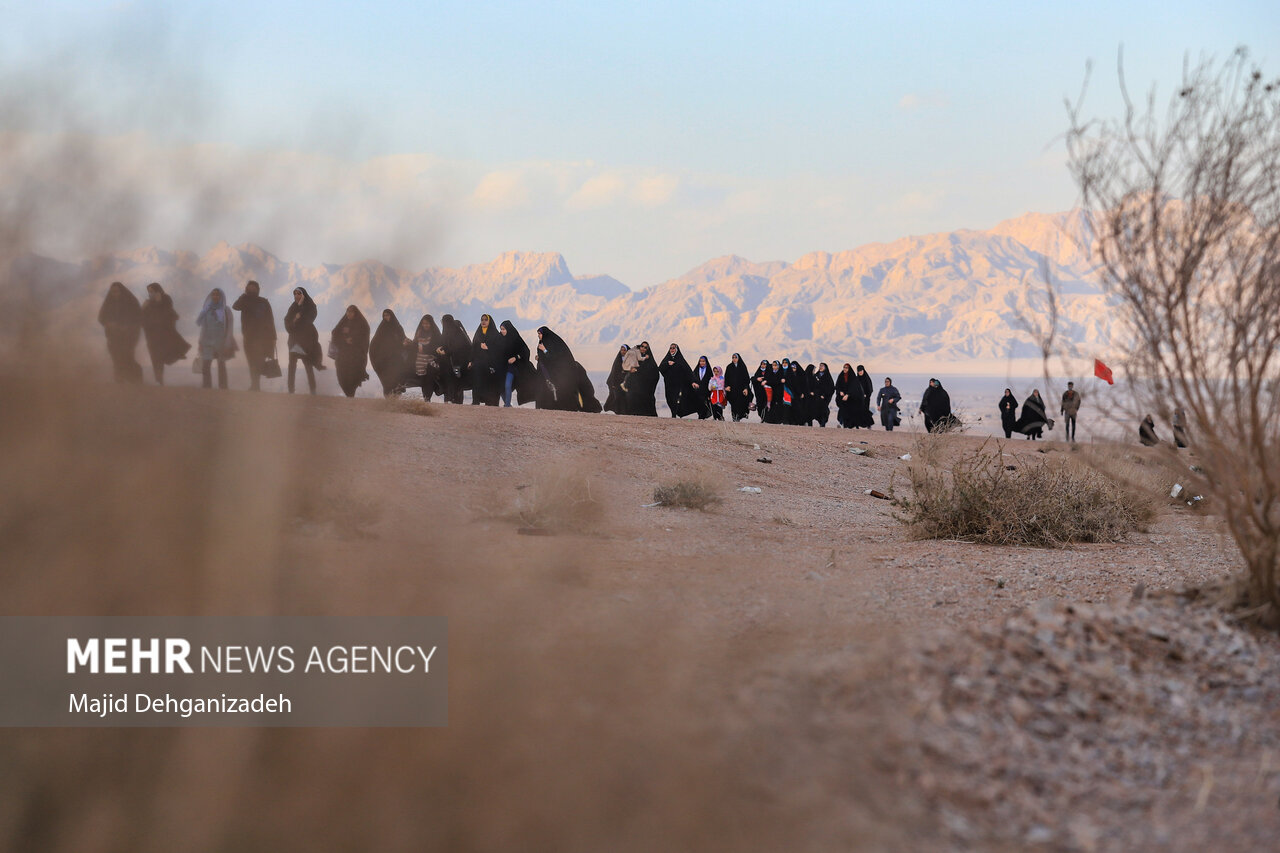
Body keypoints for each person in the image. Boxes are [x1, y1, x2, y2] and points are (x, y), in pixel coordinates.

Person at [535, 326, 600, 412]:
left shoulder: (554, 343)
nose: (538, 336)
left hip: (561, 371)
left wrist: (545, 350)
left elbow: (555, 357)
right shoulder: (541, 344)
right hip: (548, 372)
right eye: (538, 334)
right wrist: (539, 358)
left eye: (540, 334)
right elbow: (545, 359)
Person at [139, 282, 190, 385]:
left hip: (164, 335)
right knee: (154, 357)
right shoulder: (148, 303)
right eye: (149, 292)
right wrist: (143, 308)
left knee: (160, 357)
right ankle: (159, 380)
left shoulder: (166, 299)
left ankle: (159, 380)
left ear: (158, 291)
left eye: (152, 291)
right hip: (151, 335)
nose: (150, 294)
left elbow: (167, 313)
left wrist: (159, 302)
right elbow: (142, 318)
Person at [232, 280, 277, 391]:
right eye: (249, 288)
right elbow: (235, 306)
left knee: (258, 361)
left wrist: (273, 337)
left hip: (262, 338)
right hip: (248, 337)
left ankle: (255, 385)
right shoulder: (244, 301)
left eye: (254, 288)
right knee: (251, 361)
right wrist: (243, 296)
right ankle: (255, 385)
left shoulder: (264, 302)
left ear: (258, 290)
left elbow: (270, 319)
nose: (252, 290)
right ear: (247, 289)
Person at [98, 282, 143, 383]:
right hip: (113, 336)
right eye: (113, 292)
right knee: (116, 357)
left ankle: (136, 378)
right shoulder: (108, 302)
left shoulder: (131, 301)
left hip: (129, 336)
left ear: (121, 291)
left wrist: (127, 326)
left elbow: (138, 318)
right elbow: (101, 318)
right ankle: (119, 379)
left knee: (128, 356)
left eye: (117, 291)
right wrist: (109, 323)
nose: (115, 294)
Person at [284, 287, 324, 394]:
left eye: (299, 294)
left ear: (304, 295)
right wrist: (295, 319)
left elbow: (309, 319)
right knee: (292, 365)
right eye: (295, 294)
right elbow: (288, 322)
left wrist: (301, 308)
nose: (297, 296)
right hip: (294, 341)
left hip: (306, 342)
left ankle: (313, 390)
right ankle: (290, 389)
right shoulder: (293, 307)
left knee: (308, 365)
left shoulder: (309, 306)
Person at [195, 287, 236, 389]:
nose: (215, 296)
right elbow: (204, 327)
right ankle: (207, 386)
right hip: (207, 341)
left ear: (221, 297)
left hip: (221, 342)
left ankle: (223, 387)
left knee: (221, 365)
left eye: (217, 295)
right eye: (213, 294)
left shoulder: (226, 310)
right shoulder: (206, 310)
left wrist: (228, 342)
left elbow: (229, 327)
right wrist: (200, 342)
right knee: (206, 365)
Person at [369, 309, 413, 397]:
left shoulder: (398, 327)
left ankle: (395, 401)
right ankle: (388, 403)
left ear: (391, 316)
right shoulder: (382, 328)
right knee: (387, 382)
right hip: (385, 360)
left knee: (397, 380)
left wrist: (407, 342)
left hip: (396, 359)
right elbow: (376, 343)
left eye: (388, 315)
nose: (386, 317)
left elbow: (402, 338)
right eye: (384, 315)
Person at [330, 305, 370, 397]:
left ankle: (350, 395)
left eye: (351, 312)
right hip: (342, 356)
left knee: (352, 378)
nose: (349, 313)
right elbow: (335, 333)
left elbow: (364, 338)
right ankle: (349, 395)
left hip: (356, 357)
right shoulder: (343, 322)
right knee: (341, 377)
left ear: (355, 313)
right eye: (347, 311)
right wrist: (344, 340)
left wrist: (354, 339)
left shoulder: (362, 324)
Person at [658, 344, 705, 418]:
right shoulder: (667, 359)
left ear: (677, 350)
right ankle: (673, 413)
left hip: (679, 385)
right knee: (670, 399)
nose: (672, 349)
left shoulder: (681, 360)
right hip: (669, 385)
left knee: (677, 400)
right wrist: (667, 364)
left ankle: (675, 414)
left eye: (674, 348)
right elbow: (660, 368)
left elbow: (688, 371)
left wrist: (693, 381)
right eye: (671, 348)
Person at [498, 320, 538, 406]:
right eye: (501, 329)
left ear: (508, 329)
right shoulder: (499, 339)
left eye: (503, 329)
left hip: (514, 367)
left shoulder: (516, 339)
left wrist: (515, 358)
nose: (502, 331)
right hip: (502, 368)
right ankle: (508, 404)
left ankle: (507, 405)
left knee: (507, 385)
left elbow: (526, 351)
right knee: (500, 388)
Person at [470, 314, 503, 406]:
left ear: (489, 322)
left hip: (490, 364)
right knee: (476, 381)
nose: (483, 322)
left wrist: (488, 348)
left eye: (485, 320)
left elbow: (499, 349)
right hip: (478, 363)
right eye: (482, 320)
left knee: (489, 384)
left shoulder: (495, 334)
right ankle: (475, 401)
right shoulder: (478, 333)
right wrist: (470, 360)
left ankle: (490, 403)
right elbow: (473, 347)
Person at [438, 314, 471, 404]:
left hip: (458, 362)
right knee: (449, 381)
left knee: (457, 381)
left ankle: (457, 401)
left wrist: (446, 352)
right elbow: (444, 343)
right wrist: (440, 348)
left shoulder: (457, 333)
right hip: (448, 363)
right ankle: (450, 399)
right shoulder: (447, 332)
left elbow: (460, 346)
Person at [412, 315, 443, 401]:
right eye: (423, 323)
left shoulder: (435, 334)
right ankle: (425, 397)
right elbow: (415, 345)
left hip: (431, 360)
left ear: (431, 324)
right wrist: (410, 343)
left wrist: (425, 349)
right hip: (420, 361)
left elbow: (438, 347)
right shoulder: (419, 333)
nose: (425, 325)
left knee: (429, 379)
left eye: (427, 323)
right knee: (423, 380)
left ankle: (428, 398)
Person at [625, 341, 660, 417]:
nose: (643, 348)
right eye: (642, 346)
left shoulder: (649, 360)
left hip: (646, 388)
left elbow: (655, 373)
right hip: (635, 387)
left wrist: (640, 372)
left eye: (645, 347)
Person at [724, 353, 753, 422]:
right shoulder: (729, 367)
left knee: (741, 403)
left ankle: (739, 417)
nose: (734, 359)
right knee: (733, 404)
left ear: (738, 358)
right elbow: (726, 378)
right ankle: (734, 418)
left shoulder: (742, 367)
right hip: (732, 390)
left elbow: (746, 379)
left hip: (741, 390)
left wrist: (746, 388)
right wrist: (726, 386)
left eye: (735, 357)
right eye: (733, 357)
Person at [604, 344, 630, 414]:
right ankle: (616, 411)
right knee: (616, 397)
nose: (623, 352)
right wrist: (613, 384)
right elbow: (614, 371)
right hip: (615, 381)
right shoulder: (618, 359)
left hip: (625, 382)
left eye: (625, 350)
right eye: (622, 350)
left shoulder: (630, 359)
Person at [812, 362, 835, 427]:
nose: (821, 367)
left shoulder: (828, 377)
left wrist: (825, 395)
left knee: (823, 410)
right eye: (820, 366)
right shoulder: (816, 376)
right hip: (816, 397)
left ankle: (823, 423)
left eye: (822, 366)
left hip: (824, 398)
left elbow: (831, 388)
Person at [691, 355, 714, 419]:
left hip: (705, 391)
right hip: (697, 391)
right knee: (698, 404)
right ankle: (700, 417)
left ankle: (702, 417)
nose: (702, 363)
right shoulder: (696, 370)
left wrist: (710, 393)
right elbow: (692, 378)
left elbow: (711, 381)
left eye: (703, 361)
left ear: (706, 362)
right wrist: (693, 383)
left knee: (704, 405)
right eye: (700, 361)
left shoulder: (709, 371)